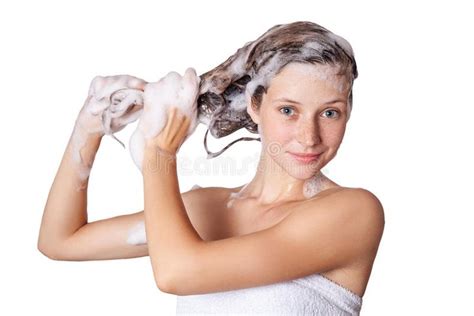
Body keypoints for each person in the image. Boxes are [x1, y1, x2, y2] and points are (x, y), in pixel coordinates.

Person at [38, 21, 385, 315]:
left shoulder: (353, 213)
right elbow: (60, 241)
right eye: (287, 110)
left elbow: (176, 272)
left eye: (330, 112)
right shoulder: (207, 208)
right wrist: (88, 129)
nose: (309, 137)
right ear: (254, 104)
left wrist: (159, 153)